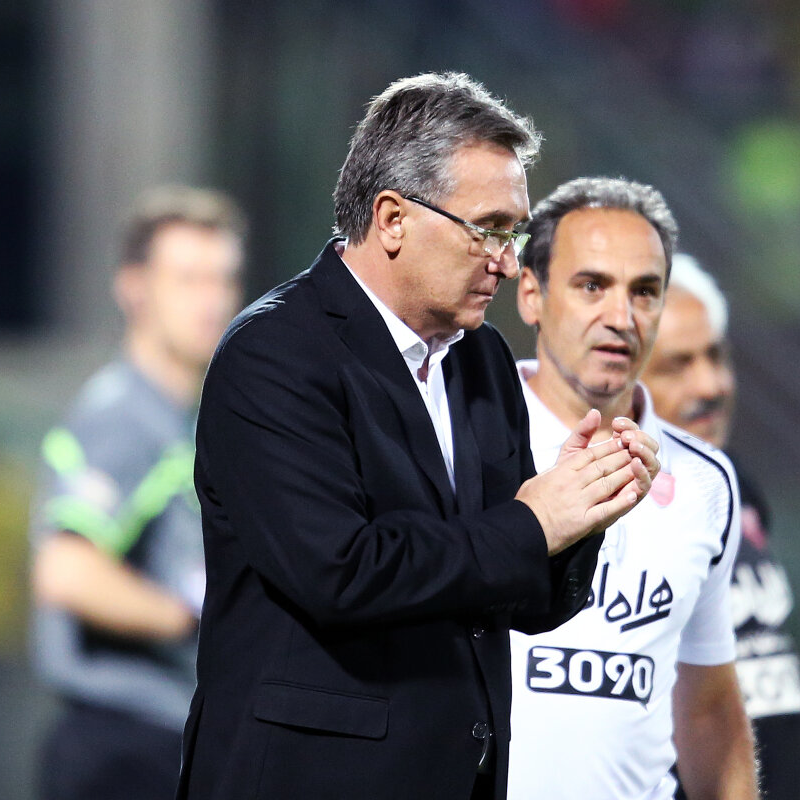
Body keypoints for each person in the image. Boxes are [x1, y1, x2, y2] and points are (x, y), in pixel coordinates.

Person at [177, 74, 659, 800]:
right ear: (393, 218)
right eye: (488, 228)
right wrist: (535, 520)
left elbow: (512, 593)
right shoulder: (273, 356)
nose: (507, 261)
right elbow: (342, 573)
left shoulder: (481, 357)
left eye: (515, 233)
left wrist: (582, 510)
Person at [507, 177, 759, 800]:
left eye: (644, 291)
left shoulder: (707, 482)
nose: (620, 318)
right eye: (592, 286)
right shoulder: (460, 435)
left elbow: (707, 706)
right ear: (532, 295)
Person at [29, 185, 246, 800]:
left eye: (223, 279)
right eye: (188, 279)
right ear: (134, 289)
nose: (212, 300)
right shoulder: (123, 415)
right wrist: (198, 622)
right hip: (122, 746)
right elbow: (66, 570)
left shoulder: (187, 418)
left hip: (163, 739)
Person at [643, 254, 800, 800]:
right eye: (677, 365)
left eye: (716, 357)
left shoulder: (738, 489)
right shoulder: (612, 511)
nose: (711, 384)